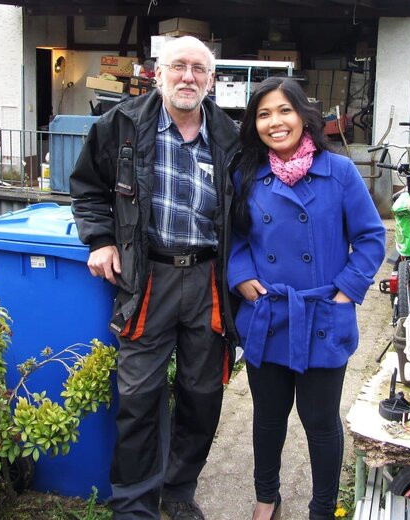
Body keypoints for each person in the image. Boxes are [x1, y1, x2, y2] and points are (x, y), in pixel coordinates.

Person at [69, 36, 241, 520]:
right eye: (179, 66)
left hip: (208, 277)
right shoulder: (120, 125)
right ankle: (133, 504)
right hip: (147, 278)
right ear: (158, 72)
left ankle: (178, 491)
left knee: (201, 394)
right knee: (139, 394)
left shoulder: (229, 135)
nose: (188, 77)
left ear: (211, 80)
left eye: (199, 70)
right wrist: (100, 240)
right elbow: (87, 188)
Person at [228, 77, 386, 520]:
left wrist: (346, 292)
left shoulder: (339, 171)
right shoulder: (248, 173)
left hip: (321, 315)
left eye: (284, 111)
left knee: (320, 422)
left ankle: (322, 507)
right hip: (269, 315)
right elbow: (236, 237)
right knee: (268, 417)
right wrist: (240, 276)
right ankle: (266, 498)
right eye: (263, 114)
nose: (275, 122)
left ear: (303, 117)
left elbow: (372, 238)